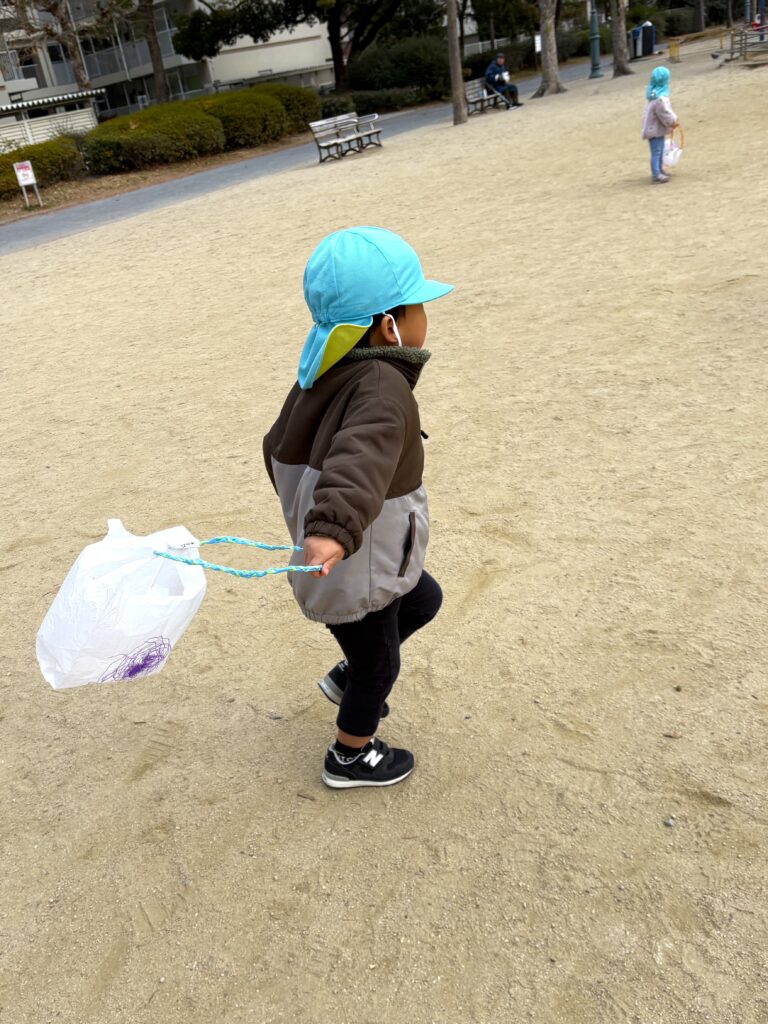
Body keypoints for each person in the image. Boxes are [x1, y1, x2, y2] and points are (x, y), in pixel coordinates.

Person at [263, 227, 453, 789]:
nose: (426, 318)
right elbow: (359, 455)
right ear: (389, 325)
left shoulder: (324, 369)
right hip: (353, 558)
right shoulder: (380, 383)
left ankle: (349, 679)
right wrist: (332, 528)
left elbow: (275, 447)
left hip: (365, 551)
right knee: (380, 666)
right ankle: (350, 755)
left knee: (424, 598)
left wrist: (315, 518)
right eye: (419, 306)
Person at [641, 65, 679, 184]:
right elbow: (664, 114)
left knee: (659, 150)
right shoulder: (659, 99)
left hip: (655, 129)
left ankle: (659, 170)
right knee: (657, 152)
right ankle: (656, 174)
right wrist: (673, 122)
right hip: (655, 130)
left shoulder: (653, 94)